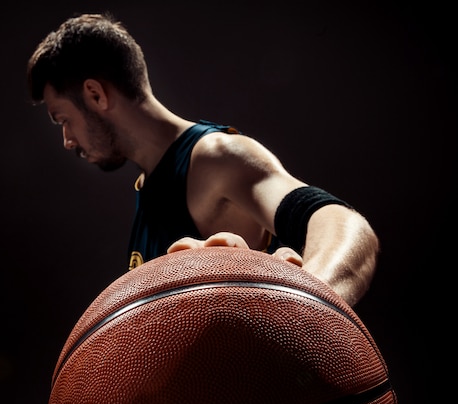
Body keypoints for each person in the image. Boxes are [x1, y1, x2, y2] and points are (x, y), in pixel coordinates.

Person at [26, 12, 379, 307]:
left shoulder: (215, 157)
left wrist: (302, 307)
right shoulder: (150, 186)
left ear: (95, 94)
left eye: (63, 119)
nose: (67, 140)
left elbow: (346, 226)